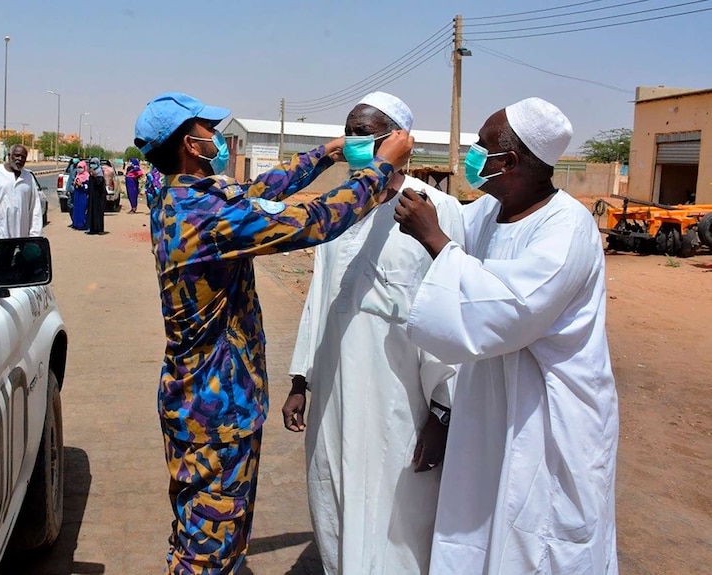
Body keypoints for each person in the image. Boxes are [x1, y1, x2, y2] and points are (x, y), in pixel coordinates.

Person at [133, 91, 413, 574]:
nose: (217, 138)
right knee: (207, 550)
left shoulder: (182, 198)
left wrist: (324, 153)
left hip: (203, 403)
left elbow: (262, 190)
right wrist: (380, 168)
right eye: (208, 130)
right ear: (189, 143)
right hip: (215, 411)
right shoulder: (207, 216)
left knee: (208, 530)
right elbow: (315, 221)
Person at [393, 97, 619, 574]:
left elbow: (512, 309)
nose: (474, 155)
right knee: (477, 523)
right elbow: (448, 216)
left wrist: (435, 240)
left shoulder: (567, 227)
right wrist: (393, 178)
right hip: (489, 405)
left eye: (481, 147)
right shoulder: (485, 215)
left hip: (547, 413)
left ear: (511, 162)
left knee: (538, 532)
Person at [282, 92, 464, 575]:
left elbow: (452, 314)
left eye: (368, 132)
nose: (357, 142)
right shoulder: (339, 210)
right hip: (335, 390)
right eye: (352, 132)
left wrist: (443, 412)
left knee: (399, 517)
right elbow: (321, 295)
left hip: (401, 399)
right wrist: (301, 378)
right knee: (333, 497)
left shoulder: (437, 211)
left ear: (401, 141)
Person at [86, 157, 106, 235]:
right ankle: (92, 229)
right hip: (92, 197)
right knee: (91, 211)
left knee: (98, 212)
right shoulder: (91, 174)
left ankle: (100, 229)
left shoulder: (99, 173)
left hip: (99, 197)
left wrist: (94, 176)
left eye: (94, 163)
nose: (92, 165)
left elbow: (99, 184)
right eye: (91, 163)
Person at [71, 160, 90, 230]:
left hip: (83, 195)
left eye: (81, 167)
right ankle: (76, 224)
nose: (79, 169)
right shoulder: (78, 175)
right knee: (76, 209)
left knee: (82, 210)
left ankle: (82, 224)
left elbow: (87, 187)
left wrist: (81, 185)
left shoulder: (87, 176)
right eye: (78, 167)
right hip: (77, 195)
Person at [65, 156, 80, 225]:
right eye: (74, 157)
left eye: (76, 158)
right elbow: (70, 179)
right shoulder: (71, 166)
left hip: (77, 190)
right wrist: (67, 189)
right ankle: (73, 220)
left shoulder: (80, 168)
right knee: (69, 205)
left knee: (77, 205)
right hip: (71, 189)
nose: (75, 159)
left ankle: (77, 221)